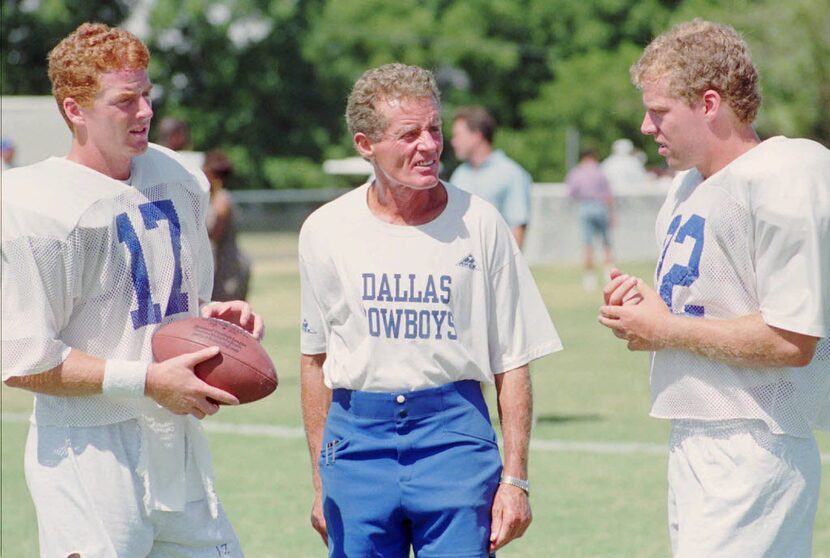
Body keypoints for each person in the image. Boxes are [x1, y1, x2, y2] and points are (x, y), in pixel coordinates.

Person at [1, 22, 264, 557]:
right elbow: (24, 359)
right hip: (88, 454)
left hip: (175, 441)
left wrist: (213, 319)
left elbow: (161, 311)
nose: (145, 112)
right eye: (126, 101)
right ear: (75, 109)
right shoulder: (33, 206)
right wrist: (144, 379)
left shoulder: (179, 179)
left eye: (147, 94)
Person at [299, 63, 562, 558]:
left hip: (454, 434)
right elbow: (314, 360)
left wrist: (516, 480)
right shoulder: (324, 229)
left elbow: (513, 361)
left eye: (435, 129)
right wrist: (320, 478)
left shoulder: (481, 223)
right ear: (365, 144)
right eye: (409, 134)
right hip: (356, 440)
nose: (429, 145)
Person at [599, 20, 830, 557]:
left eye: (659, 112)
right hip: (695, 435)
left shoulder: (785, 172)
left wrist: (667, 329)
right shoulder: (687, 186)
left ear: (709, 104)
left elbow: (792, 340)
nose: (646, 125)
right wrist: (646, 312)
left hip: (754, 438)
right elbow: (700, 311)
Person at [449, 106, 533, 249]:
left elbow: (518, 226)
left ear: (477, 135)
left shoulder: (511, 174)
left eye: (458, 136)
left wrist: (508, 269)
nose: (453, 142)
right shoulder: (459, 174)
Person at [203, 150, 251, 301]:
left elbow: (214, 234)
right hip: (221, 267)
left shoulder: (221, 199)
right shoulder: (213, 198)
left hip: (228, 269)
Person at [565, 149, 615, 291]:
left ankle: (589, 278)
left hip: (585, 207)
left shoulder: (577, 172)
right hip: (601, 207)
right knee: (606, 243)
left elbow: (571, 192)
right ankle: (608, 273)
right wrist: (612, 214)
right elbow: (609, 195)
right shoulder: (600, 172)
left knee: (588, 244)